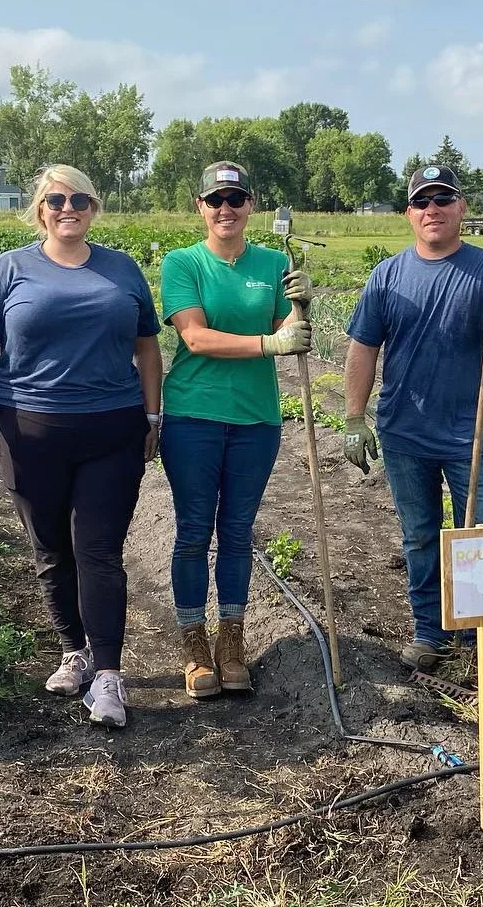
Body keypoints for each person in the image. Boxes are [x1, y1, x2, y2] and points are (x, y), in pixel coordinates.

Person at [0, 164, 162, 729]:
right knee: (51, 547)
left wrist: (152, 414)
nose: (67, 208)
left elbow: (148, 348)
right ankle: (73, 650)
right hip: (29, 432)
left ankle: (108, 674)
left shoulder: (122, 270)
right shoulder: (9, 271)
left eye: (79, 199)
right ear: (39, 209)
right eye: (55, 200)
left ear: (94, 207)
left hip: (112, 429)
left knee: (98, 548)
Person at [343, 166, 483, 672]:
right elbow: (363, 349)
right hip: (404, 432)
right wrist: (353, 417)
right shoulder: (386, 275)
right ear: (410, 213)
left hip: (469, 433)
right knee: (420, 535)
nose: (432, 209)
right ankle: (430, 630)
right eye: (422, 202)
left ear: (462, 208)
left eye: (443, 199)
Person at [158, 161, 312, 699]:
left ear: (251, 206)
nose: (226, 209)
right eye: (215, 200)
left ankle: (231, 636)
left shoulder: (272, 263)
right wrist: (271, 345)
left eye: (236, 199)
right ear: (201, 206)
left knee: (239, 533)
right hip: (193, 416)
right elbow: (195, 338)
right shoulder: (183, 263)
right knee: (195, 530)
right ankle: (193, 642)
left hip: (256, 419)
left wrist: (297, 306)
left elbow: (287, 331)